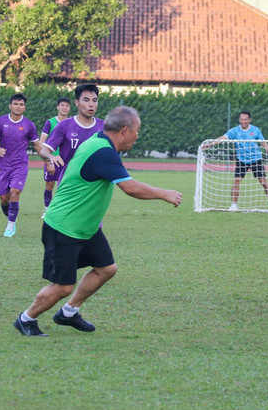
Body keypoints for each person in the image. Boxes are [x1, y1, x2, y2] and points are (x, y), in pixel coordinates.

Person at [13, 106, 183, 337]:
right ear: (125, 130)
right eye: (137, 131)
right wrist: (165, 193)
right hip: (64, 227)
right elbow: (130, 188)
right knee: (62, 286)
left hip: (85, 227)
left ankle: (69, 312)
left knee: (106, 269)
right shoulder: (103, 152)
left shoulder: (97, 140)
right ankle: (26, 318)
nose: (137, 136)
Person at [0, 94, 42, 237]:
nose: (18, 106)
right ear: (10, 106)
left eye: (21, 104)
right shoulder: (1, 121)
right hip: (4, 165)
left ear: (24, 107)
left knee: (15, 192)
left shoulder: (29, 125)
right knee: (4, 199)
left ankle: (11, 226)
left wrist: (48, 160)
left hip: (20, 165)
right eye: (15, 104)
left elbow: (37, 145)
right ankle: (11, 216)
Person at [204, 111, 268, 211]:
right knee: (237, 181)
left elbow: (262, 141)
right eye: (241, 119)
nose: (243, 121)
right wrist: (210, 144)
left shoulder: (255, 130)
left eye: (245, 119)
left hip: (256, 159)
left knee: (263, 181)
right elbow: (223, 138)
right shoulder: (234, 131)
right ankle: (234, 205)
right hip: (241, 160)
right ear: (239, 120)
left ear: (249, 120)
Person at [38, 84, 104, 184]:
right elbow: (44, 151)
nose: (91, 104)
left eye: (94, 100)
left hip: (92, 186)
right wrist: (51, 157)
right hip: (68, 183)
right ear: (77, 102)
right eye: (86, 100)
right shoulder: (64, 125)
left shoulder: (103, 127)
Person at [39, 96, 72, 215]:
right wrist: (48, 161)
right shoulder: (50, 122)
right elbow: (42, 142)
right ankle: (47, 210)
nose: (64, 108)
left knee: (64, 186)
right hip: (52, 160)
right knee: (50, 185)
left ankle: (62, 211)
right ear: (58, 107)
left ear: (69, 108)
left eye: (67, 106)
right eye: (62, 105)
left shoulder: (72, 122)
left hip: (67, 161)